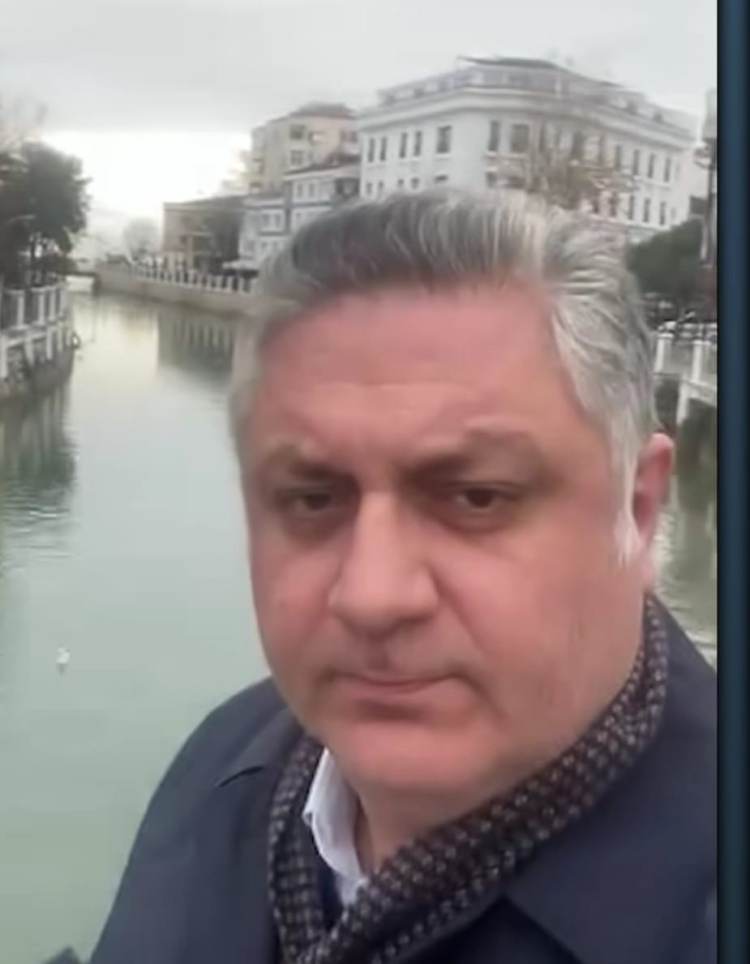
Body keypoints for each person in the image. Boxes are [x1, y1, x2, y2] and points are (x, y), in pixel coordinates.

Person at [89, 191, 716, 964]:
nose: (372, 595)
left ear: (639, 509)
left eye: (476, 497)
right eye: (312, 499)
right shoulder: (225, 765)